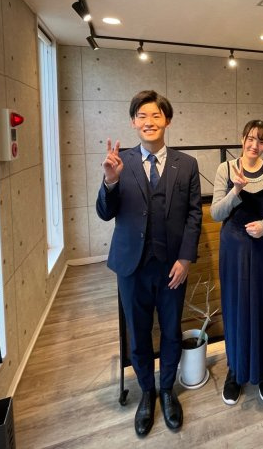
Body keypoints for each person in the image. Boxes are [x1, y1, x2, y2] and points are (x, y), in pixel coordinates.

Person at [96, 90, 202, 436]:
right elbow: (105, 213)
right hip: (132, 267)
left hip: (172, 267)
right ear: (133, 122)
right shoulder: (119, 162)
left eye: (156, 115)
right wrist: (110, 181)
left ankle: (167, 389)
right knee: (139, 334)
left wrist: (185, 258)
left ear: (167, 120)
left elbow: (194, 215)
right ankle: (147, 392)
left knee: (171, 331)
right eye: (142, 116)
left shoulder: (186, 164)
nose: (149, 122)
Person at [210, 120, 263, 405]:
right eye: (251, 138)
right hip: (233, 249)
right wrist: (235, 191)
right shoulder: (225, 169)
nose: (255, 145)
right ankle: (235, 370)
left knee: (262, 306)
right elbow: (216, 213)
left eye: (261, 140)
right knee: (235, 306)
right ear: (242, 139)